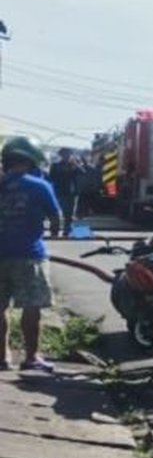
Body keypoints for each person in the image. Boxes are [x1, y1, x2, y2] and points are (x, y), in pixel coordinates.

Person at [0, 136, 61, 372]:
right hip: (29, 255)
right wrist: (54, 232)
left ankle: (2, 359)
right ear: (32, 161)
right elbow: (56, 218)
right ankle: (31, 358)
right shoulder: (39, 186)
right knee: (31, 307)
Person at [47, 148, 82, 239]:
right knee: (55, 213)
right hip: (58, 192)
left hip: (69, 193)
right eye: (64, 154)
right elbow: (50, 178)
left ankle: (67, 231)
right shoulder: (55, 166)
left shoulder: (73, 166)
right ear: (61, 155)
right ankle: (54, 231)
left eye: (68, 154)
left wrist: (76, 165)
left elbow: (82, 173)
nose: (66, 156)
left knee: (68, 214)